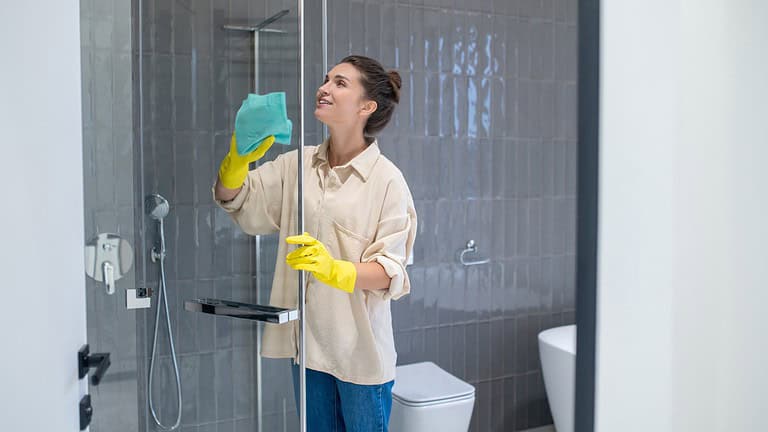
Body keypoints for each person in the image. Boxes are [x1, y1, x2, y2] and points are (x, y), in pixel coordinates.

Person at [213, 55, 417, 431]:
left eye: (340, 83)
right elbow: (237, 199)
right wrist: (237, 161)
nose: (323, 88)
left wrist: (334, 270)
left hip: (360, 358)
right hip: (308, 351)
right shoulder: (299, 165)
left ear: (366, 107)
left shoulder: (387, 181)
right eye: (326, 79)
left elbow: (391, 273)